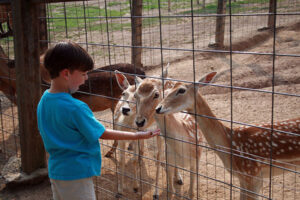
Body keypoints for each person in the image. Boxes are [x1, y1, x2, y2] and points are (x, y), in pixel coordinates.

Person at [37, 41, 160, 200]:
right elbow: (102, 133)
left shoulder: (44, 101)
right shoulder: (76, 108)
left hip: (57, 172)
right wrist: (137, 136)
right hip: (77, 175)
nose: (86, 78)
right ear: (66, 74)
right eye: (83, 74)